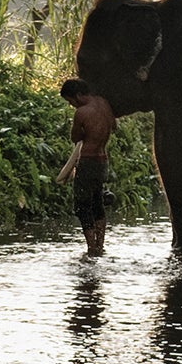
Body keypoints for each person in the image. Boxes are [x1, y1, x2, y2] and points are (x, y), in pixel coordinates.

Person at [55, 79, 118, 256]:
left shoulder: (82, 113)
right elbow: (113, 126)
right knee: (97, 202)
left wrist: (84, 131)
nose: (71, 105)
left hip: (87, 161)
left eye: (70, 101)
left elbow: (75, 138)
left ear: (78, 96)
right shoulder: (104, 104)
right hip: (102, 161)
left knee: (82, 205)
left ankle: (91, 248)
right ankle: (100, 244)